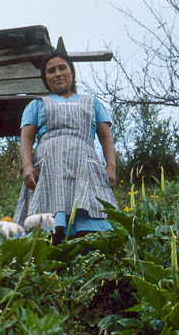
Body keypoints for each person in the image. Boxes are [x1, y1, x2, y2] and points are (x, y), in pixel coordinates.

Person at [13, 51, 117, 243]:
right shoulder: (37, 104)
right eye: (51, 71)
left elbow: (106, 138)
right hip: (49, 170)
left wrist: (110, 167)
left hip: (85, 168)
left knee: (93, 224)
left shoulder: (92, 103)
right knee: (47, 224)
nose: (58, 73)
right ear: (46, 78)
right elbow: (26, 139)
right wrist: (27, 166)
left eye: (62, 67)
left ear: (72, 72)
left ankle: (89, 260)